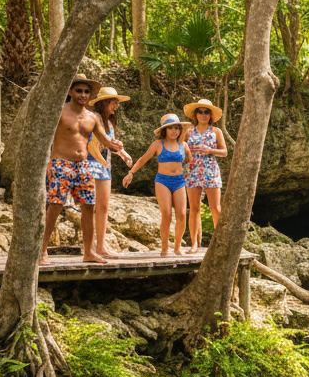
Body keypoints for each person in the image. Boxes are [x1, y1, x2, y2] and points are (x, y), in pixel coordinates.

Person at [43, 75, 124, 265]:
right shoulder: (59, 112)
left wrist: (115, 145)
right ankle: (42, 251)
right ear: (70, 92)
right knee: (55, 205)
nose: (83, 94)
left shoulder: (93, 117)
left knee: (89, 206)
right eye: (79, 90)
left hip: (83, 165)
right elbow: (43, 134)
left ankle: (88, 252)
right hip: (60, 163)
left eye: (87, 91)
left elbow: (105, 141)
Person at [123, 114, 193, 256]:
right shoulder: (158, 144)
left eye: (176, 128)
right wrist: (131, 173)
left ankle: (177, 247)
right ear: (165, 130)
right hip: (163, 182)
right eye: (170, 128)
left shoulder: (184, 145)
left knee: (182, 214)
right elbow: (143, 159)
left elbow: (189, 162)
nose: (174, 131)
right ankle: (165, 248)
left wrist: (188, 174)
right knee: (166, 214)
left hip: (179, 181)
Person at [84, 86, 134, 258]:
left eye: (117, 103)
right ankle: (90, 248)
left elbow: (111, 144)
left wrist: (125, 155)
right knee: (90, 207)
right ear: (104, 103)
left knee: (103, 207)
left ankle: (101, 246)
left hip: (105, 166)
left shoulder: (110, 122)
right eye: (114, 103)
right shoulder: (94, 117)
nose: (116, 106)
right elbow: (96, 141)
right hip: (90, 164)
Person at [183, 99, 228, 253]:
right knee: (194, 208)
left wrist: (210, 150)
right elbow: (181, 151)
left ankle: (219, 242)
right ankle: (194, 244)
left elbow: (225, 152)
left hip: (211, 170)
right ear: (195, 114)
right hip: (192, 171)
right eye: (200, 111)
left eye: (206, 112)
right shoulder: (188, 131)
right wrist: (184, 167)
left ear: (210, 115)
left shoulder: (216, 132)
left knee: (216, 208)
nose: (203, 114)